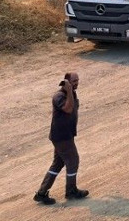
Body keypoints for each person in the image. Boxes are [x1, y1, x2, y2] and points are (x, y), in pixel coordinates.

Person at [34, 72, 89, 205]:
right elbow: (68, 109)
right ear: (67, 82)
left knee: (58, 163)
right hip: (62, 136)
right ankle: (71, 191)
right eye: (74, 81)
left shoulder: (71, 94)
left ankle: (41, 193)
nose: (77, 83)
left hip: (65, 135)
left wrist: (71, 91)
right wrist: (69, 90)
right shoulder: (59, 96)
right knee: (73, 160)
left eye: (77, 80)